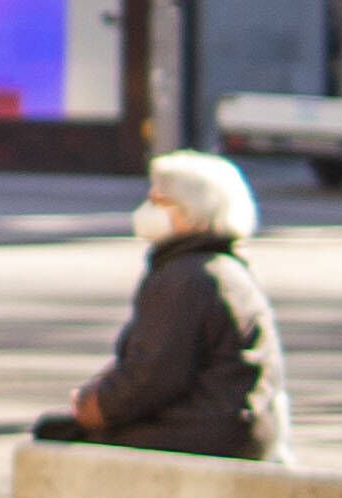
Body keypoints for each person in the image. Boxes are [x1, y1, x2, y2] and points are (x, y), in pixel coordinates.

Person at [39, 148, 292, 461]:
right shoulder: (217, 268)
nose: (146, 210)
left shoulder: (186, 277)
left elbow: (152, 374)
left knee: (56, 437)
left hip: (207, 433)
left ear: (192, 211)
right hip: (231, 427)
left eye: (158, 202)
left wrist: (96, 405)